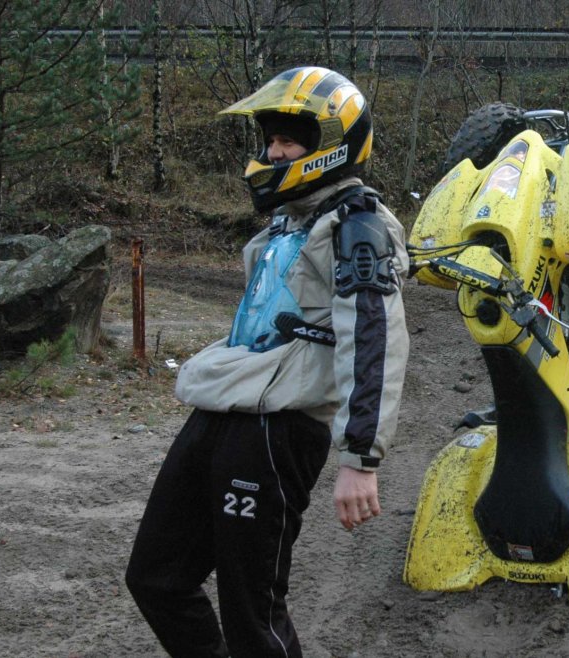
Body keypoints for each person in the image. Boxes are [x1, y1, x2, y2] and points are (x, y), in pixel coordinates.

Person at [125, 66, 409, 657]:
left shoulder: (358, 227)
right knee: (157, 577)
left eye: (288, 141)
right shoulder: (290, 220)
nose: (274, 152)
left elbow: (376, 338)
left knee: (252, 613)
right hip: (224, 407)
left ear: (330, 146)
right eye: (271, 140)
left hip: (279, 427)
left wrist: (361, 457)